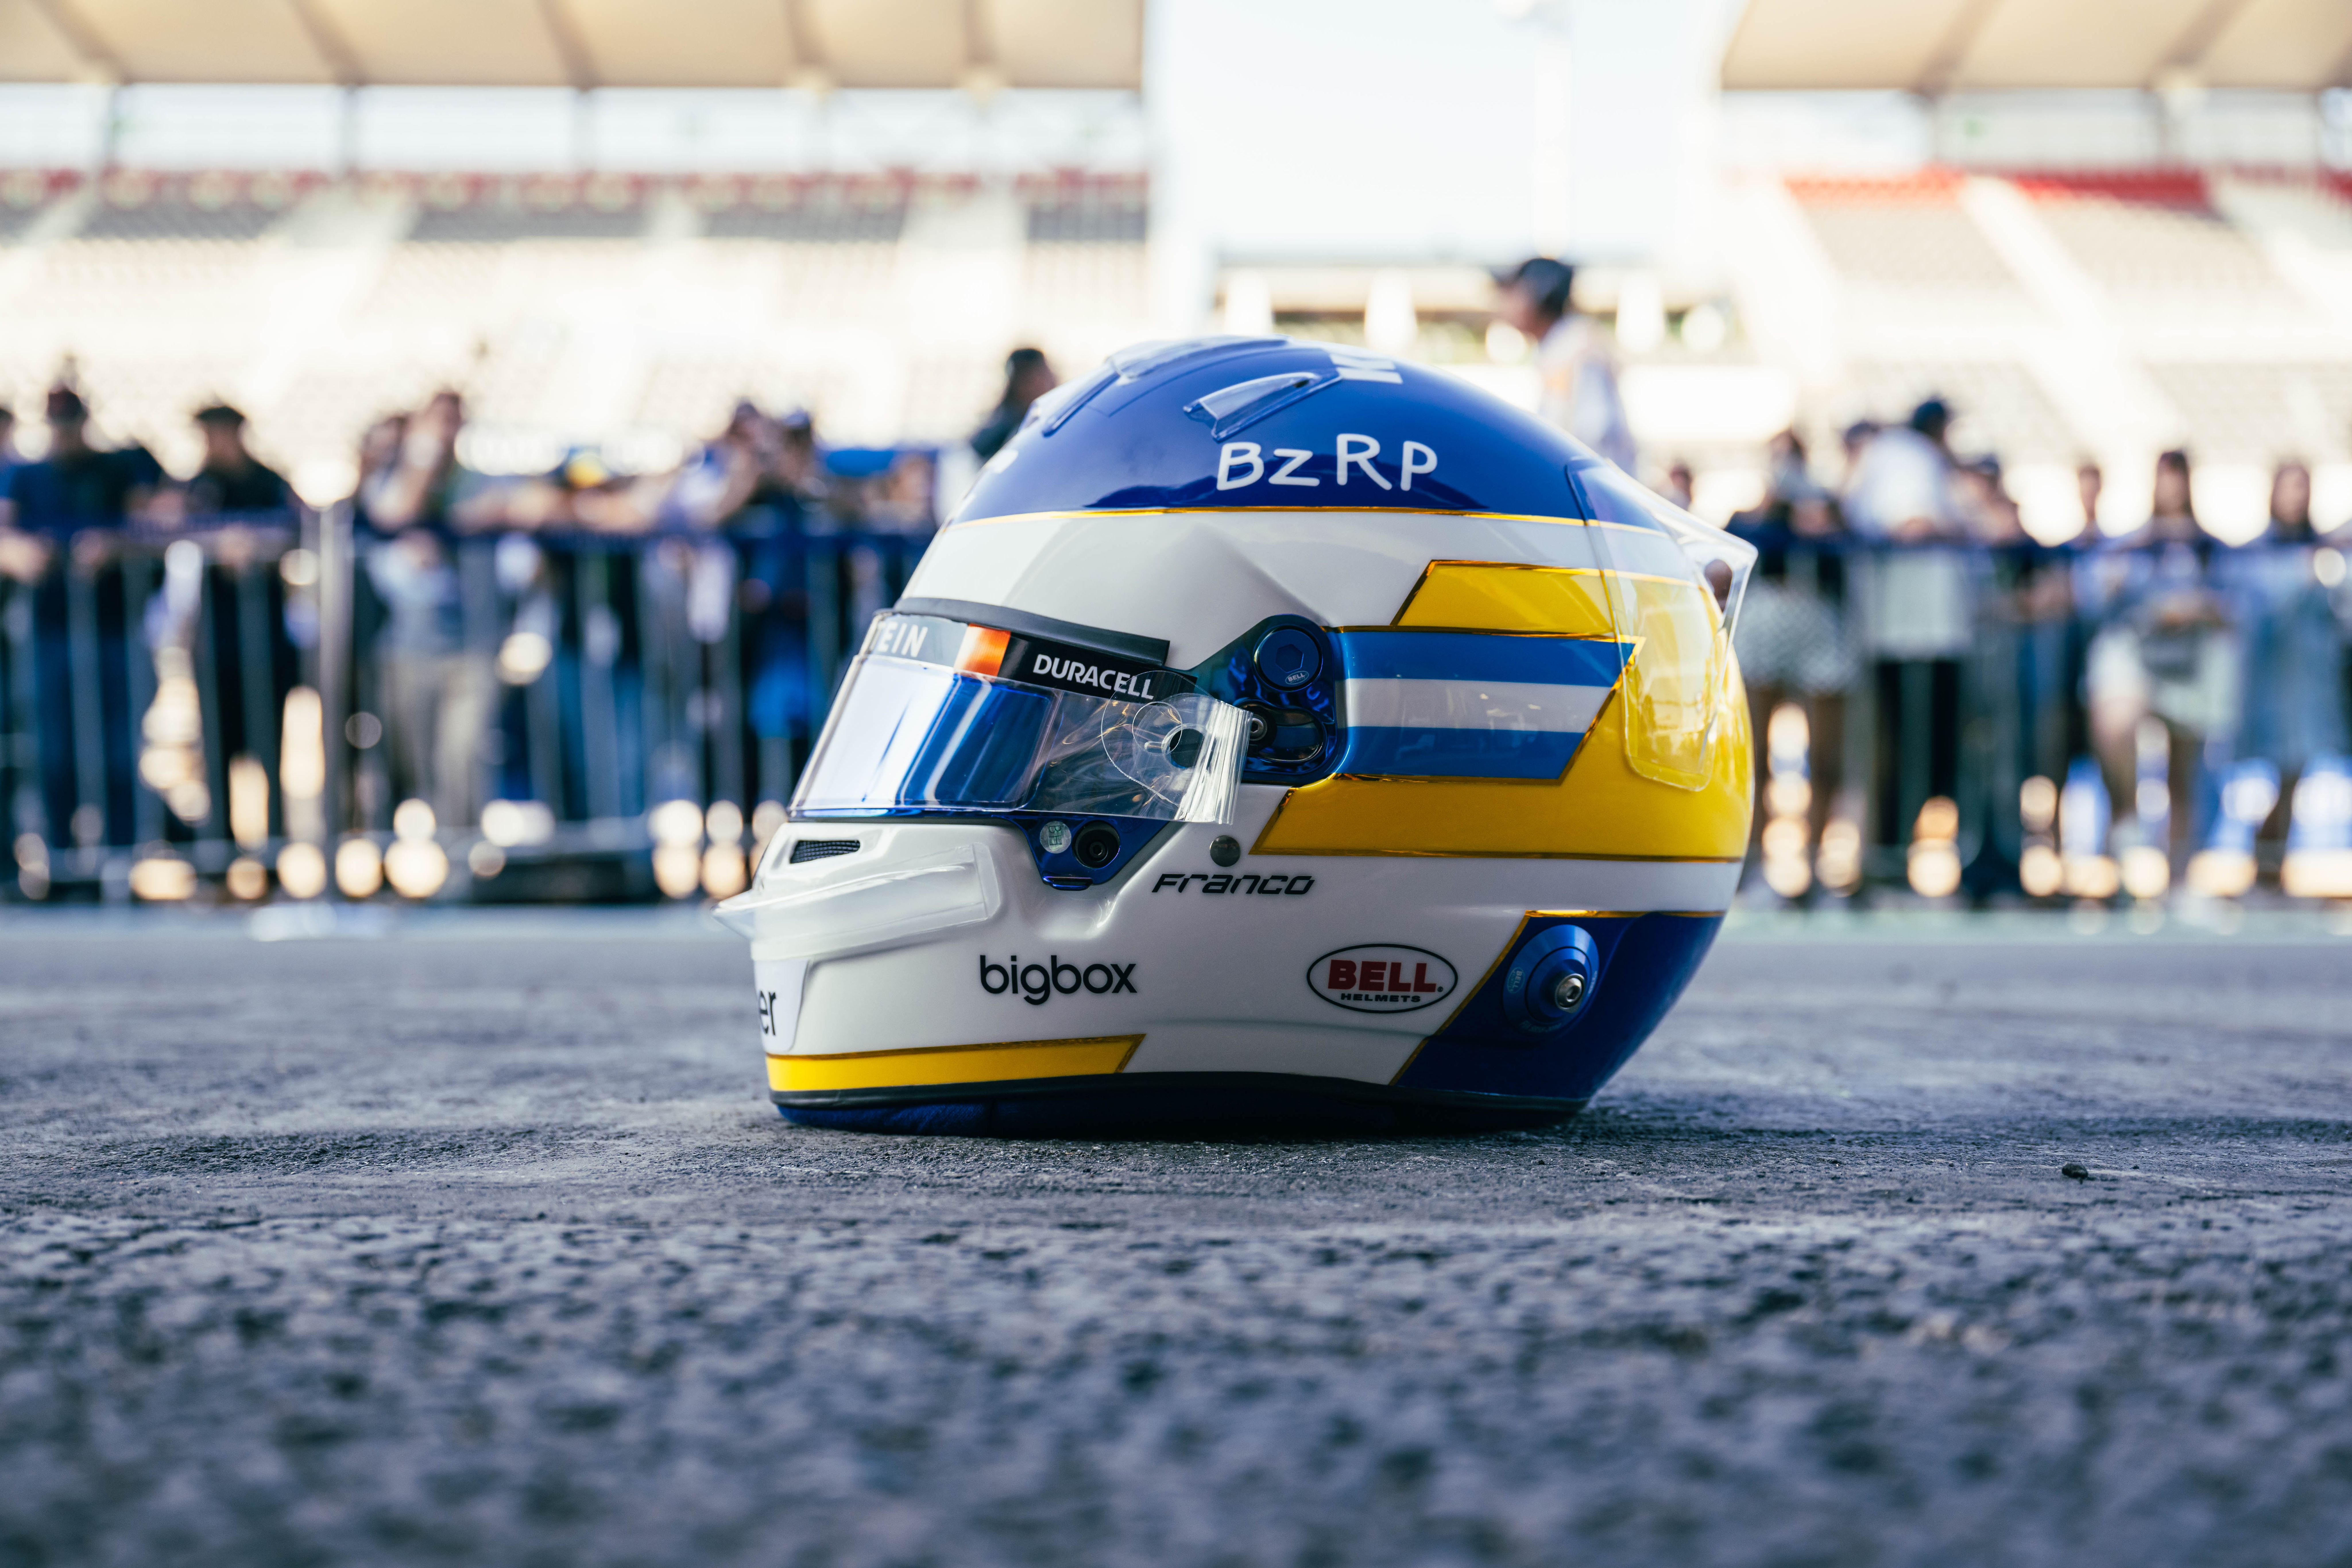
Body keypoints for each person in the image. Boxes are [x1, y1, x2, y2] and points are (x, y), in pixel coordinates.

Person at [0, 386, 167, 850]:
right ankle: (60, 863)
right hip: (49, 633)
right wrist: (21, 552)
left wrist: (114, 546)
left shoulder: (117, 469)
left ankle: (119, 861)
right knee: (53, 752)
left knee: (118, 751)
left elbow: (148, 525)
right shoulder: (25, 476)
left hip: (114, 629)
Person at [2082, 449, 2237, 868]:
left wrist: (2198, 608)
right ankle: (2125, 835)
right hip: (2142, 655)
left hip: (2191, 668)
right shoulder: (2134, 545)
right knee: (2116, 727)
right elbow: (2100, 596)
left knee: (2184, 774)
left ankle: (2179, 877)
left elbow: (2235, 609)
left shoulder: (2209, 549)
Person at [358, 391, 494, 830]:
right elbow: (394, 514)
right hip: (409, 649)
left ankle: (462, 865)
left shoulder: (478, 483)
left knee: (461, 760)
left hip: (471, 646)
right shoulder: (392, 482)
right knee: (416, 763)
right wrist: (422, 460)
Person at [1727, 430, 1854, 889]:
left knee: (1823, 753)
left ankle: (1817, 865)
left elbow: (1844, 558)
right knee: (1755, 752)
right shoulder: (1752, 515)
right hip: (1766, 624)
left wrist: (1823, 523)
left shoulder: (1828, 508)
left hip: (1819, 623)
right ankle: (1754, 862)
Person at [2230, 460, 2347, 859]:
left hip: (2311, 683)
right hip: (2273, 682)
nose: (2297, 496)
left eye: (2303, 487)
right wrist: (2302, 576)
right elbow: (2256, 613)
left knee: (2296, 773)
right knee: (2277, 773)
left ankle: (2270, 865)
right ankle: (2263, 861)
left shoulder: (2323, 553)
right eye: (2290, 487)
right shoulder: (2262, 552)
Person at [1493, 258, 1634, 471]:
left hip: (1589, 496)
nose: (1505, 301)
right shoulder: (1564, 345)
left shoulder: (1579, 349)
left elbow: (1593, 435)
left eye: (1513, 291)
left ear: (1537, 295)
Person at [180, 404, 291, 519]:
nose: (207, 443)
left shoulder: (270, 483)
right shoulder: (202, 485)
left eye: (211, 435)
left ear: (231, 432)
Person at [971, 348, 1057, 463]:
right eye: (1044, 374)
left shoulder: (1039, 417)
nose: (1052, 378)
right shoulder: (1009, 428)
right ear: (1024, 382)